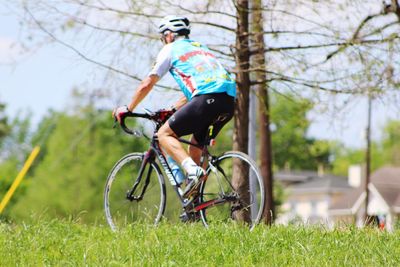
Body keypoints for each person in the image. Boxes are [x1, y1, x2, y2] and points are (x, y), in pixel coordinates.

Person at [113, 15, 236, 198]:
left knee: (163, 134)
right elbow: (199, 89)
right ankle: (195, 205)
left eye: (163, 37)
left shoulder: (170, 49)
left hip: (206, 99)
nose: (163, 41)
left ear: (169, 35)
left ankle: (192, 172)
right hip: (228, 102)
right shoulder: (201, 49)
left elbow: (147, 83)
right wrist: (172, 109)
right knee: (196, 146)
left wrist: (128, 108)